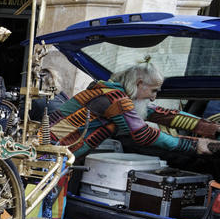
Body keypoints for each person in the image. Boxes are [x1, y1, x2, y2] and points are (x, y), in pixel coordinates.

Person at [49, 61, 220, 159]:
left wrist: (212, 129)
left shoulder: (114, 93)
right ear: (139, 84)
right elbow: (143, 134)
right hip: (51, 152)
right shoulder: (115, 99)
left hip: (57, 151)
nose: (153, 97)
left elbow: (161, 113)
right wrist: (192, 145)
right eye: (153, 91)